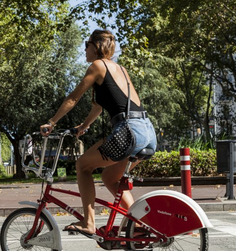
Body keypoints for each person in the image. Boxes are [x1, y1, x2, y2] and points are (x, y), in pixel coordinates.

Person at [40, 29, 156, 237]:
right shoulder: (119, 69)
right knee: (110, 177)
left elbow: (73, 98)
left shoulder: (97, 66)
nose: (84, 49)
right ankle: (138, 224)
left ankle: (88, 222)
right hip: (147, 132)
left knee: (82, 166)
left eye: (87, 44)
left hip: (128, 132)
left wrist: (51, 122)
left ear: (96, 46)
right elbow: (98, 107)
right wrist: (83, 126)